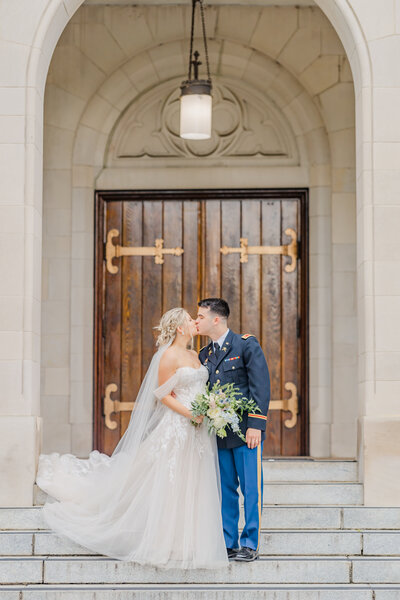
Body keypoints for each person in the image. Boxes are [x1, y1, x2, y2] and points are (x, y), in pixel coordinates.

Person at [36, 308, 229, 570]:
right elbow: (162, 394)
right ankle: (162, 538)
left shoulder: (195, 355)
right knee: (170, 481)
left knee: (192, 480)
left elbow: (199, 387)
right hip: (178, 426)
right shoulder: (168, 356)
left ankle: (188, 539)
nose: (195, 322)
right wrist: (191, 414)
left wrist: (208, 408)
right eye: (189, 319)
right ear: (180, 328)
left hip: (198, 430)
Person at [196, 298, 270, 562]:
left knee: (251, 488)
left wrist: (256, 425)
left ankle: (250, 544)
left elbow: (260, 385)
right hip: (219, 432)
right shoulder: (204, 355)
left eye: (201, 316)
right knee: (226, 488)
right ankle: (229, 542)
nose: (197, 321)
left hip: (245, 432)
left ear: (216, 319)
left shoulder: (245, 345)